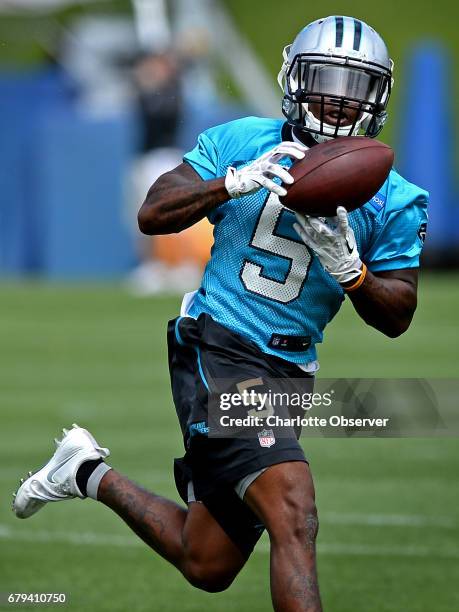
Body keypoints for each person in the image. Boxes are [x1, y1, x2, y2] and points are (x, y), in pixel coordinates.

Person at [13, 16, 428, 612]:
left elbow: (398, 313)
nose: (338, 99)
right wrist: (230, 184)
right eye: (325, 80)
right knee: (294, 513)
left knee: (205, 561)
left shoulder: (396, 194)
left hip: (291, 371)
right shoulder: (241, 140)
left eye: (354, 85)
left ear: (379, 96)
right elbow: (153, 212)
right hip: (219, 343)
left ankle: (85, 473)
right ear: (293, 78)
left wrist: (353, 272)